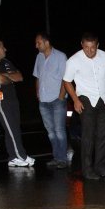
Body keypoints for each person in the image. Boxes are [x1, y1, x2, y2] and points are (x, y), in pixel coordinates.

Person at [62, 32, 105, 180]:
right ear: (82, 45)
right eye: (86, 47)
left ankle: (101, 167)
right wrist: (75, 100)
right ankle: (87, 170)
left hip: (104, 99)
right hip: (86, 99)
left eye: (92, 48)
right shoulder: (73, 60)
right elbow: (67, 81)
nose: (89, 51)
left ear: (97, 46)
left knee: (103, 135)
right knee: (88, 135)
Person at [0, 40, 35, 168]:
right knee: (11, 129)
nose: (5, 49)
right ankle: (21, 156)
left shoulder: (6, 62)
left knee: (14, 129)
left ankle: (13, 157)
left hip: (13, 99)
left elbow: (19, 76)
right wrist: (8, 77)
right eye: (3, 47)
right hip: (2, 100)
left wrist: (6, 76)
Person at [33, 32, 68, 169]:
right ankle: (56, 157)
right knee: (51, 132)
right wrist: (38, 93)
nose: (36, 46)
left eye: (38, 43)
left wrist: (61, 96)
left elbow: (66, 79)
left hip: (57, 100)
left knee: (59, 130)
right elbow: (37, 76)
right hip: (43, 101)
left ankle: (63, 159)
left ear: (46, 42)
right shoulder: (39, 57)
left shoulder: (60, 56)